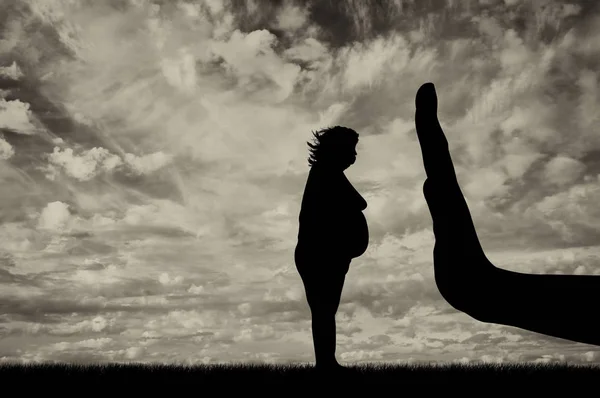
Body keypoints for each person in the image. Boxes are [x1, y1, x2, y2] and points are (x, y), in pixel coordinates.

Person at [415, 82, 600, 347]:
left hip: (478, 284)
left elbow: (481, 291)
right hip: (478, 283)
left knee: (480, 290)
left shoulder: (482, 291)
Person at [295, 126, 369, 371]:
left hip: (325, 252)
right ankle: (326, 363)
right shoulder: (327, 171)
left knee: (325, 309)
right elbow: (360, 202)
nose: (354, 155)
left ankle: (326, 362)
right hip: (320, 253)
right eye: (351, 149)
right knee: (324, 308)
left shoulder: (326, 171)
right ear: (337, 149)